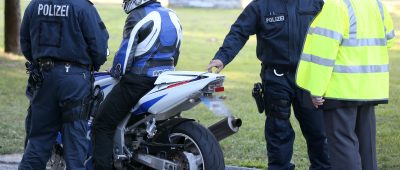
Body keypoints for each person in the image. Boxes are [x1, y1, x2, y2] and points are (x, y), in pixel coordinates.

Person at [207, 0, 331, 169]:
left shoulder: (315, 3)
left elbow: (332, 34)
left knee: (318, 130)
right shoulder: (260, 6)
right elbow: (239, 32)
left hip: (310, 78)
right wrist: (222, 57)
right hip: (276, 77)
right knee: (278, 131)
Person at [296, 0, 395, 169]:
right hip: (369, 88)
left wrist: (317, 90)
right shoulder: (377, 5)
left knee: (343, 146)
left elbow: (323, 54)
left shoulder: (336, 6)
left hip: (341, 90)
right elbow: (389, 40)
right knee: (367, 147)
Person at [91, 0, 182, 169]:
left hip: (138, 82)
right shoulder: (172, 15)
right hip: (165, 79)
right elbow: (175, 53)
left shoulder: (137, 16)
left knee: (102, 125)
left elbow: (125, 57)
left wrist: (115, 70)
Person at [19, 0, 109, 169]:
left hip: (44, 78)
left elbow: (25, 43)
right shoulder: (82, 7)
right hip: (75, 81)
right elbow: (99, 47)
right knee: (75, 146)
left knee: (38, 142)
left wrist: (40, 62)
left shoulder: (34, 5)